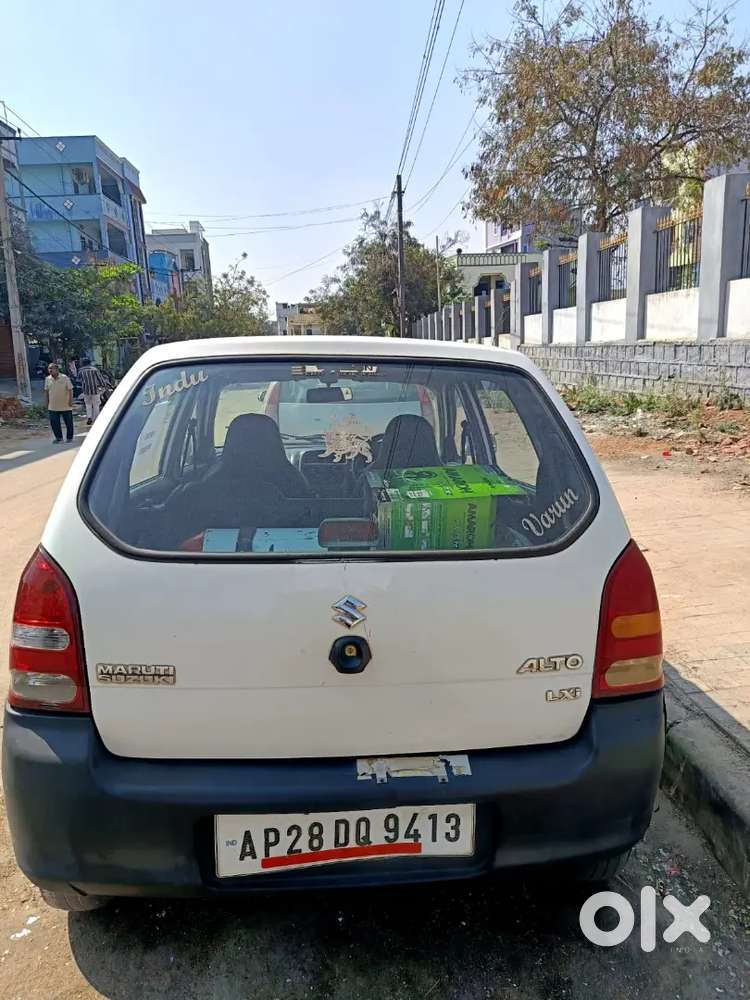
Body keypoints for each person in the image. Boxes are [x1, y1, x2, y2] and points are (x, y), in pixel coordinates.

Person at [44, 363, 74, 444]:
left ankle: (69, 438)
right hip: (53, 406)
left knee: (69, 423)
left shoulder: (64, 378)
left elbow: (70, 390)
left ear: (57, 370)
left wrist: (71, 401)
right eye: (49, 369)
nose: (50, 370)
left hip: (66, 405)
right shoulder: (47, 379)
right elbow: (46, 392)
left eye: (52, 368)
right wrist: (47, 403)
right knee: (54, 424)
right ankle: (59, 438)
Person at [78, 358, 107, 425]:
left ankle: (89, 417)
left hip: (86, 391)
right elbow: (100, 379)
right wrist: (103, 385)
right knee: (96, 405)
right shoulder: (94, 369)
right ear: (90, 363)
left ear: (83, 363)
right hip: (95, 390)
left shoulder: (80, 371)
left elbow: (79, 380)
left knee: (88, 404)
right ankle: (96, 419)